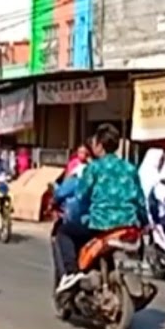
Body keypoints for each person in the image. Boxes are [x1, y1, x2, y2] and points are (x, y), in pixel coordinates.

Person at [54, 124, 148, 293]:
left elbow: (81, 197)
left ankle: (71, 273)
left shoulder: (94, 168)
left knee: (64, 232)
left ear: (99, 145)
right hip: (128, 224)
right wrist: (145, 223)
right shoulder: (130, 168)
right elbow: (140, 200)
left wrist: (72, 215)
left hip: (100, 224)